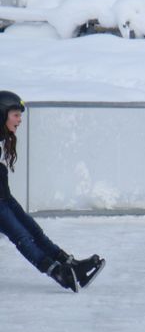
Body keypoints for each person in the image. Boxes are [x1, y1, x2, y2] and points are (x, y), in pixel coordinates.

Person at [0, 90, 105, 291]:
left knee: (34, 231)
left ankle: (71, 265)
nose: (20, 120)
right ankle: (56, 272)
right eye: (16, 115)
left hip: (4, 197)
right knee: (22, 237)